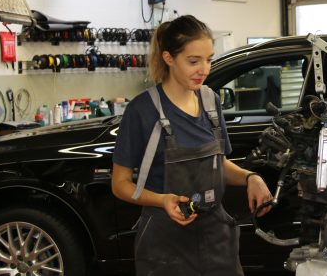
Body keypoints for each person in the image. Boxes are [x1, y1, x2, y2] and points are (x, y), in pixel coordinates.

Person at [111, 15, 272, 275]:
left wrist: (250, 178)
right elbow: (120, 184)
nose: (204, 70)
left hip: (216, 239)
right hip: (165, 245)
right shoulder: (142, 111)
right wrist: (162, 200)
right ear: (168, 58)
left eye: (208, 60)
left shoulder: (211, 102)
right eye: (193, 61)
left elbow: (218, 164)